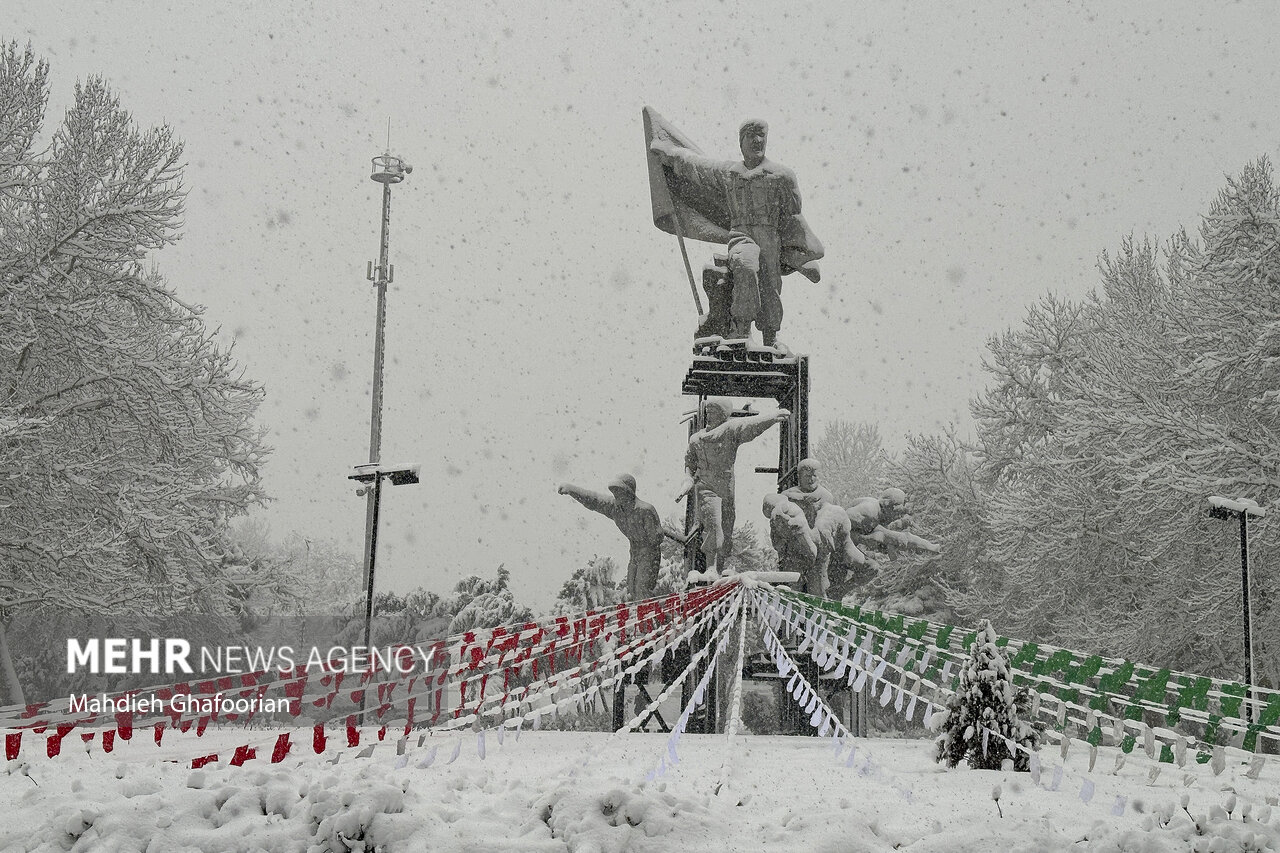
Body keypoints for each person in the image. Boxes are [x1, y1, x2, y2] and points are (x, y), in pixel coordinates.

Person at [649, 118, 821, 347]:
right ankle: (741, 329)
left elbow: (793, 218)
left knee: (770, 285)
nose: (757, 140)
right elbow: (697, 166)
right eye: (751, 135)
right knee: (745, 265)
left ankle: (770, 337)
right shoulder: (729, 173)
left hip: (770, 236)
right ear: (741, 142)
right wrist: (670, 154)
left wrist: (801, 255)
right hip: (741, 234)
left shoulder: (781, 176)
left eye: (761, 135)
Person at [679, 398, 789, 575]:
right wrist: (688, 480)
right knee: (713, 524)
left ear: (723, 415)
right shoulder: (696, 439)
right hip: (706, 486)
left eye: (714, 413)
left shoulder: (730, 430)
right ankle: (711, 566)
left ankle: (720, 567)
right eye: (708, 412)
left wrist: (771, 417)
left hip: (726, 486)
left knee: (726, 527)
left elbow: (751, 425)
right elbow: (689, 464)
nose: (709, 416)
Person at [558, 474, 664, 600]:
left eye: (620, 492)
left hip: (650, 552)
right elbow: (594, 500)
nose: (617, 496)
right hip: (634, 552)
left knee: (642, 587)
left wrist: (648, 538)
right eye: (615, 492)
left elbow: (656, 538)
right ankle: (644, 611)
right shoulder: (615, 509)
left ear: (629, 493)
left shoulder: (645, 510)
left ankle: (652, 611)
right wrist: (571, 490)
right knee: (631, 588)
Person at [780, 458, 834, 528]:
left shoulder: (826, 497)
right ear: (799, 476)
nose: (811, 479)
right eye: (807, 476)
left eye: (814, 475)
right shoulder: (787, 496)